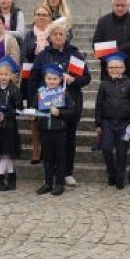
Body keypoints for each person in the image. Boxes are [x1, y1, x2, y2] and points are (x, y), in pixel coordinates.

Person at [29, 21, 91, 187]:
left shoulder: (75, 55)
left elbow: (87, 78)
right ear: (49, 37)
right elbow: (34, 78)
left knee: (69, 138)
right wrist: (33, 101)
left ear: (66, 36)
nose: (58, 37)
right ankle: (50, 174)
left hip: (70, 103)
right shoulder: (43, 55)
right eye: (55, 34)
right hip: (47, 103)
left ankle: (67, 172)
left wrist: (74, 80)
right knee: (48, 140)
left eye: (61, 34)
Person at [94, 53, 130, 190]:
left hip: (125, 124)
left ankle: (120, 177)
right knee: (106, 148)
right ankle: (111, 172)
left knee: (122, 151)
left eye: (118, 67)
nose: (114, 70)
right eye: (111, 67)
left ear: (124, 68)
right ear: (107, 69)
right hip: (107, 123)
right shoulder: (104, 84)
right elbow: (99, 105)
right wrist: (98, 123)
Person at [35, 64, 76, 196]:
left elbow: (71, 112)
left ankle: (59, 184)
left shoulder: (64, 93)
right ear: (45, 79)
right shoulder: (41, 93)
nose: (51, 81)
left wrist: (60, 113)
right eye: (49, 79)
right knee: (47, 158)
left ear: (59, 80)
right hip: (45, 129)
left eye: (54, 79)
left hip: (60, 130)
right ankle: (48, 183)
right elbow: (36, 107)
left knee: (60, 157)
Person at [21, 3, 54, 164]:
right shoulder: (29, 35)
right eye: (38, 14)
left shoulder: (53, 34)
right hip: (33, 77)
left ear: (50, 18)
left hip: (50, 78)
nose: (41, 17)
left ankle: (48, 148)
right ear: (34, 16)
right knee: (34, 115)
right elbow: (24, 55)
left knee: (49, 113)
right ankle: (36, 148)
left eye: (44, 15)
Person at [0, 56, 23, 191]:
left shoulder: (15, 90)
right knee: (4, 154)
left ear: (11, 75)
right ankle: (12, 178)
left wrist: (6, 114)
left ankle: (0, 178)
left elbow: (18, 109)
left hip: (9, 126)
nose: (3, 76)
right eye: (1, 74)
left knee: (5, 154)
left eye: (6, 74)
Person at [92, 0, 130, 80]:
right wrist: (112, 59)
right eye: (117, 5)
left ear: (128, 5)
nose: (120, 8)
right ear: (112, 5)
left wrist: (116, 51)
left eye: (123, 5)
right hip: (108, 69)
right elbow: (96, 44)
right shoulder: (103, 21)